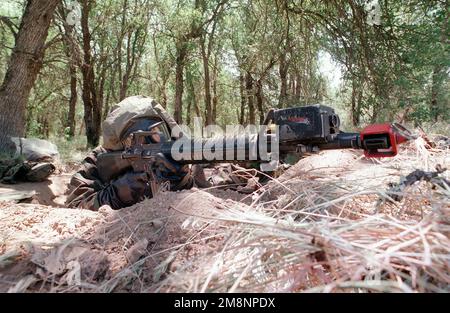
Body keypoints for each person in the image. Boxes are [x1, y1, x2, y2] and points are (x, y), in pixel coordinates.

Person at [65, 96, 195, 211]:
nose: (152, 140)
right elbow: (74, 204)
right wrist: (116, 194)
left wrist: (182, 180)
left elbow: (201, 193)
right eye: (138, 137)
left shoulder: (178, 153)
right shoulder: (99, 160)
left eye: (158, 130)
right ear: (120, 145)